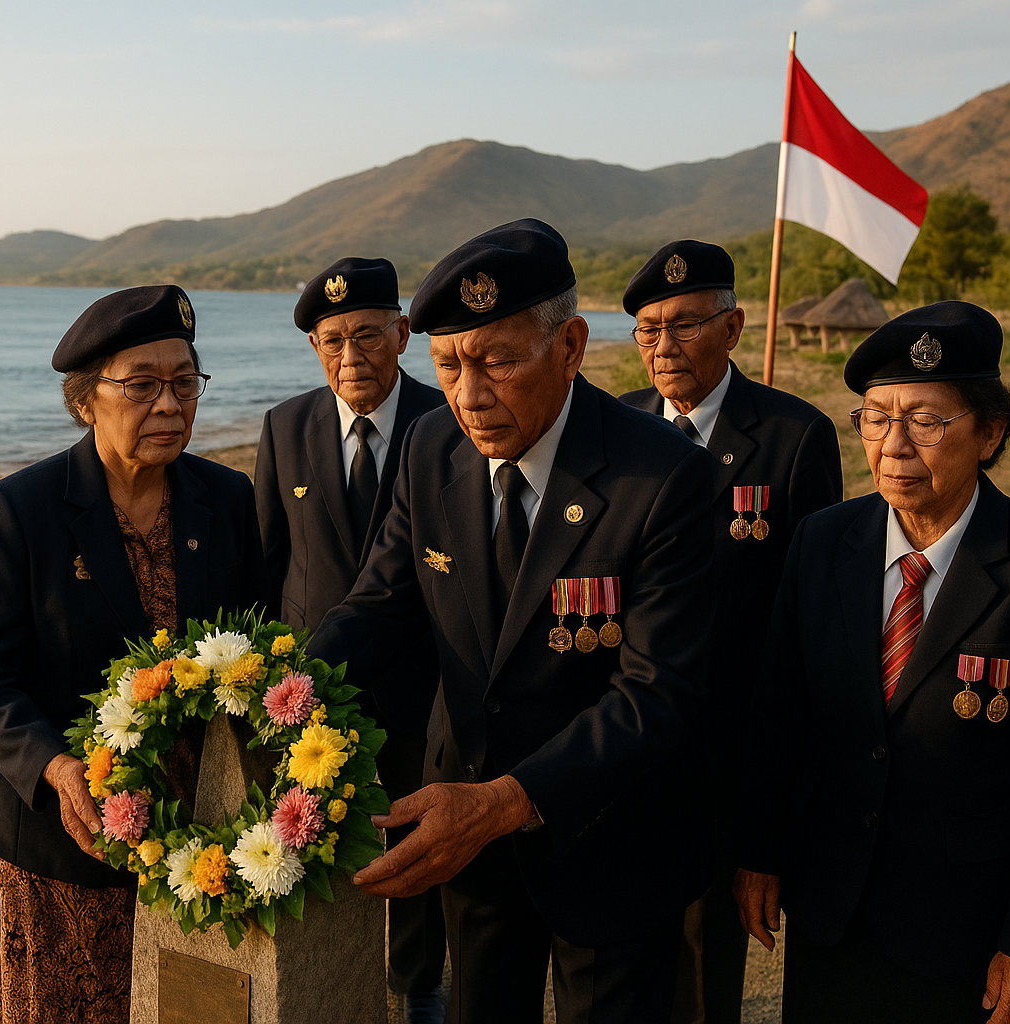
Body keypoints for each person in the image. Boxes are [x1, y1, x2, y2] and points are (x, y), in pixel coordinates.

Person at [307, 218, 717, 1024]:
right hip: (470, 843)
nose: (469, 395)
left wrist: (502, 802)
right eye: (448, 365)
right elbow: (380, 604)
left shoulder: (663, 478)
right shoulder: (430, 449)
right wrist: (283, 690)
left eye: (497, 361)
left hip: (611, 842)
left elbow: (656, 695)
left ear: (569, 346)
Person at [734, 301, 1010, 1023]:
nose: (894, 445)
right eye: (876, 417)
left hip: (967, 935)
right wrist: (760, 851)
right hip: (832, 913)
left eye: (926, 420)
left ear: (990, 432)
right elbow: (779, 712)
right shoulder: (824, 542)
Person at [0, 285, 265, 1024]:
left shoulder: (227, 499)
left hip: (198, 843)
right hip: (69, 843)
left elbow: (263, 644)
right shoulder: (22, 510)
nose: (171, 405)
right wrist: (54, 765)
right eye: (143, 385)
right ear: (86, 401)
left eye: (185, 383)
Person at [618, 239, 842, 1024]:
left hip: (729, 755)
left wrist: (771, 815)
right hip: (630, 747)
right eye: (648, 330)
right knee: (629, 955)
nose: (664, 347)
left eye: (685, 324)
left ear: (735, 326)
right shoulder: (620, 428)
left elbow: (807, 625)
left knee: (710, 967)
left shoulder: (793, 436)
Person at [254, 257, 447, 1022]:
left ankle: (420, 993)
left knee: (416, 854)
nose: (350, 356)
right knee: (316, 847)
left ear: (402, 334)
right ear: (314, 348)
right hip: (315, 702)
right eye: (331, 340)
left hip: (422, 691)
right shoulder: (285, 426)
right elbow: (270, 567)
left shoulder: (446, 425)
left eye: (368, 334)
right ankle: (327, 990)